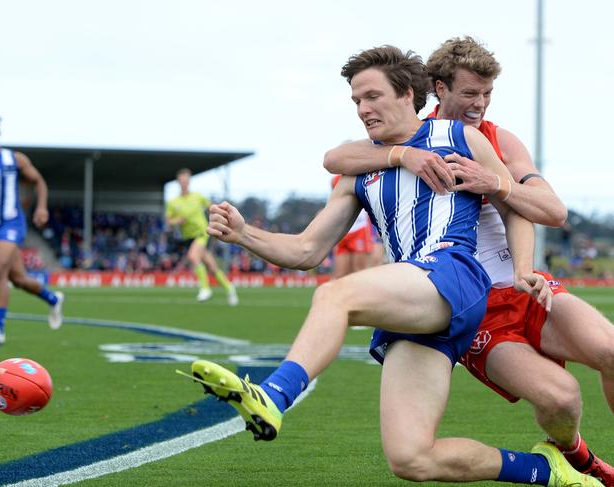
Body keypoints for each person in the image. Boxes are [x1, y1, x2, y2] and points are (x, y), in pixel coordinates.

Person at [181, 46, 602, 486]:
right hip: (416, 303)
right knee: (412, 458)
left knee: (336, 294)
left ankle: (274, 394)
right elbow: (306, 250)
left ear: (407, 94)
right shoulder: (359, 169)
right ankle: (545, 471)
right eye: (356, 101)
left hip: (453, 273)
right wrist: (245, 234)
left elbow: (514, 206)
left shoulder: (459, 138)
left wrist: (521, 268)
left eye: (372, 97)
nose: (363, 109)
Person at [323, 37, 614, 485]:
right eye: (469, 93)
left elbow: (552, 212)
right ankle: (578, 460)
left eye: (487, 94)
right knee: (560, 399)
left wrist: (495, 184)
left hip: (523, 283)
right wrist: (402, 155)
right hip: (471, 304)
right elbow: (335, 158)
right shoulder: (405, 138)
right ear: (438, 89)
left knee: (611, 351)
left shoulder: (497, 139)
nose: (480, 104)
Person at [0, 112, 64, 345]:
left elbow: (39, 181)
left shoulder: (15, 159)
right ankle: (53, 299)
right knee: (19, 279)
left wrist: (41, 208)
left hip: (11, 223)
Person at [166, 168, 238, 305]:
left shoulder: (197, 197)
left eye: (186, 181)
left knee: (193, 257)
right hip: (188, 237)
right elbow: (169, 221)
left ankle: (205, 289)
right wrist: (178, 221)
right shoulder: (173, 203)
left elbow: (212, 207)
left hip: (202, 233)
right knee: (211, 266)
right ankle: (229, 287)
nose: (184, 184)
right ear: (178, 182)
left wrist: (222, 215)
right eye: (182, 181)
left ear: (189, 182)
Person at [330, 174, 373, 279]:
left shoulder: (363, 175)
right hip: (342, 231)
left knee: (359, 273)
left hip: (360, 229)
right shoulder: (336, 180)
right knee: (339, 275)